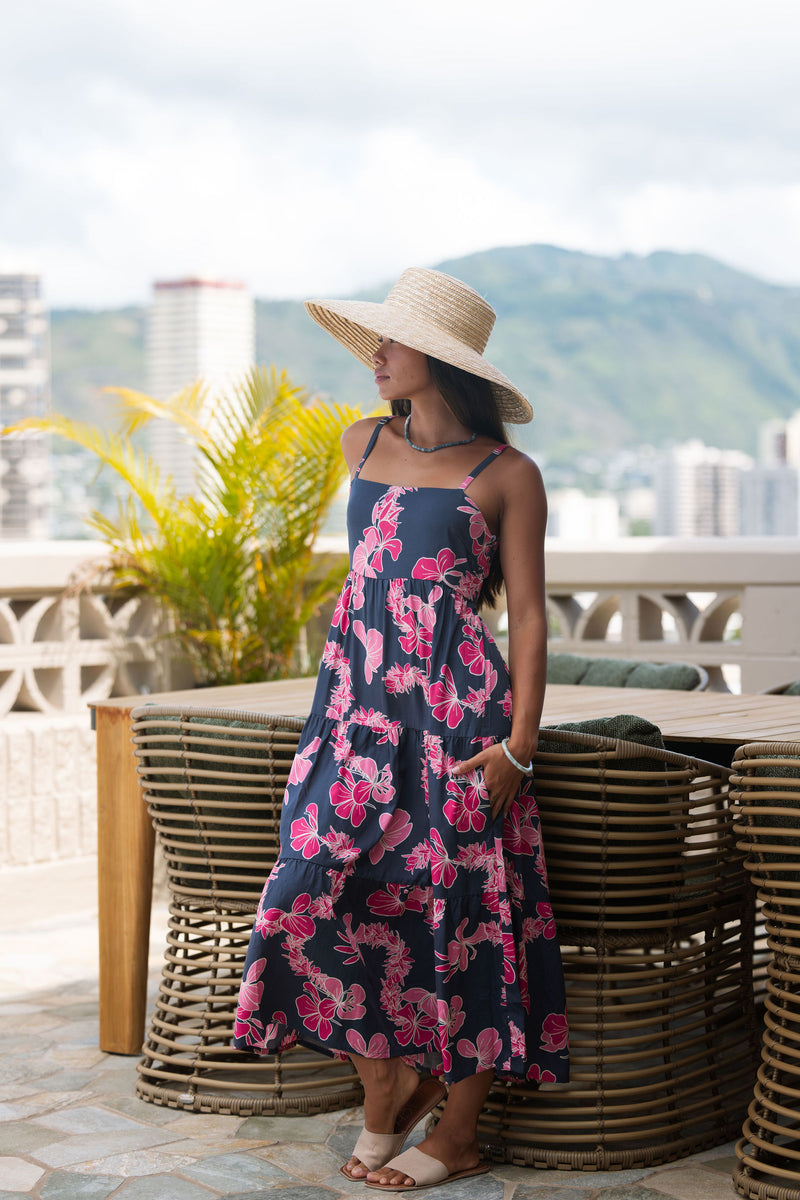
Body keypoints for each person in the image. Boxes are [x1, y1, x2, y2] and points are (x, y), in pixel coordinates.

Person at [233, 267, 568, 1191]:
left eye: (391, 340)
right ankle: (386, 1086)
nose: (374, 354)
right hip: (354, 712)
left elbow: (531, 616)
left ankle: (458, 1131)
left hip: (461, 718)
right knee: (305, 889)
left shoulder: (508, 475)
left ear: (442, 361)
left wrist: (518, 748)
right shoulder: (359, 441)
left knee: (465, 915)